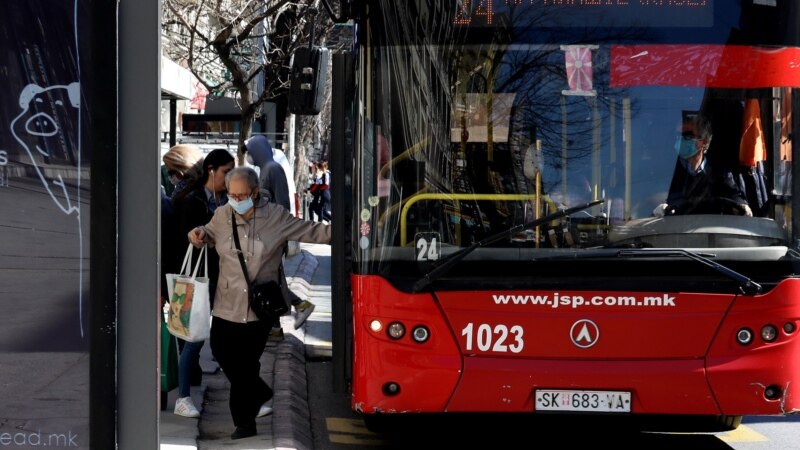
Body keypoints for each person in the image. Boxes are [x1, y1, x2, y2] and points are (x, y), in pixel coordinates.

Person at [187, 167, 331, 440]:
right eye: (231, 194)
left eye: (242, 195)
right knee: (222, 352)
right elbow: (206, 233)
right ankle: (260, 392)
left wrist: (357, 232)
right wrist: (197, 235)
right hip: (226, 304)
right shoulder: (222, 215)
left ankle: (244, 423)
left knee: (246, 365)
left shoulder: (275, 216)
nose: (236, 199)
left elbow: (312, 231)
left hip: (260, 308)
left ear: (254, 193)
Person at [170, 149, 235, 418]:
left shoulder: (230, 198)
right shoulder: (192, 200)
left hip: (223, 277)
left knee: (225, 338)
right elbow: (185, 241)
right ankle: (183, 398)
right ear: (211, 169)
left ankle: (250, 392)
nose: (229, 176)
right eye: (226, 171)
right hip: (195, 279)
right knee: (193, 339)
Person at [245, 135, 316, 337]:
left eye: (250, 151)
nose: (249, 156)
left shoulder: (272, 169)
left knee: (270, 278)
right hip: (267, 234)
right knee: (272, 278)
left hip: (272, 234)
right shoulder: (266, 169)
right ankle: (282, 319)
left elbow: (281, 203)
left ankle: (293, 310)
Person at [656, 114, 753, 217]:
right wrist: (659, 206)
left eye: (687, 136)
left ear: (705, 141)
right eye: (678, 136)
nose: (681, 140)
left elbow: (734, 196)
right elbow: (654, 198)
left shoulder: (719, 172)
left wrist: (743, 206)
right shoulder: (668, 171)